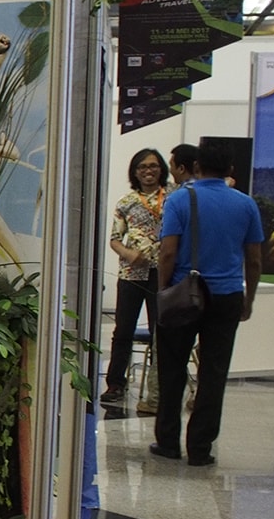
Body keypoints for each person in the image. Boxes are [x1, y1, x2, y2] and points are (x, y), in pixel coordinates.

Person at [149, 140, 263, 467]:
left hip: (184, 293)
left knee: (172, 368)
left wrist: (163, 291)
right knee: (214, 372)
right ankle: (200, 448)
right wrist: (248, 299)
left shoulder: (179, 200)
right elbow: (254, 260)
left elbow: (168, 252)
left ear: (197, 167)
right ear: (230, 169)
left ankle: (168, 441)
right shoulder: (246, 204)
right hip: (227, 296)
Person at [102, 148, 169, 406]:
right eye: (142, 167)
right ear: (135, 172)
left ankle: (158, 389)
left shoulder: (173, 197)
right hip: (131, 273)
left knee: (160, 332)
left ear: (161, 169)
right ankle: (115, 384)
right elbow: (114, 239)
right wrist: (128, 254)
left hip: (162, 273)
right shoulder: (126, 202)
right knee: (123, 331)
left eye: (153, 166)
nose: (148, 171)